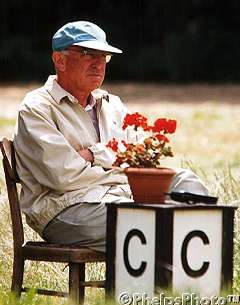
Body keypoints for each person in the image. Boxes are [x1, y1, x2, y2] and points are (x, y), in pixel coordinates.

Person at [14, 21, 208, 253]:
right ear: (59, 60)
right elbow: (62, 177)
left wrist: (93, 155)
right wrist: (112, 160)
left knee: (186, 183)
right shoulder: (36, 108)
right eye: (88, 54)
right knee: (146, 220)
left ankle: (193, 277)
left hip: (122, 195)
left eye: (104, 55)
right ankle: (159, 284)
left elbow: (137, 159)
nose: (98, 63)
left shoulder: (113, 104)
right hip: (66, 209)